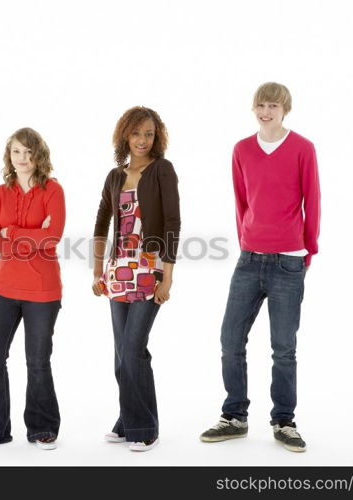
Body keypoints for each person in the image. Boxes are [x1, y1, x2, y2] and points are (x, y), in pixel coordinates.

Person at [200, 82, 320, 452]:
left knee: (283, 347)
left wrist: (307, 251)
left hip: (289, 261)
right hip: (249, 260)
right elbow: (240, 201)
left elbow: (312, 200)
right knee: (230, 340)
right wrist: (247, 243)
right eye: (260, 106)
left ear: (285, 109)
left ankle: (284, 421)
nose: (265, 112)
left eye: (272, 106)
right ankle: (234, 416)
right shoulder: (242, 150)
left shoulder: (302, 148)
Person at [0, 127, 65, 450]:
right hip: (4, 287)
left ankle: (42, 428)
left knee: (37, 361)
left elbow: (52, 239)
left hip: (43, 290)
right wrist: (31, 235)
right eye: (16, 152)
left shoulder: (53, 190)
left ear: (39, 154)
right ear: (9, 156)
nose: (22, 158)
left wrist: (13, 233)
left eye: (28, 151)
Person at [92, 106, 180, 452]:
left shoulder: (163, 171)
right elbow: (101, 223)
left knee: (133, 350)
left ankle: (145, 427)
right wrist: (97, 270)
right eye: (136, 133)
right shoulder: (115, 176)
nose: (142, 140)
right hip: (118, 272)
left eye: (149, 134)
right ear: (124, 136)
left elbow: (173, 223)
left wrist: (167, 278)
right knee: (121, 353)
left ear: (156, 138)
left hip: (149, 269)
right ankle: (128, 419)